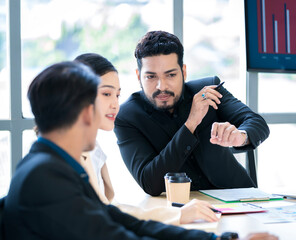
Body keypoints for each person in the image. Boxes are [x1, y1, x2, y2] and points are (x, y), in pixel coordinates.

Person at [2, 61, 278, 240]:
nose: (113, 107)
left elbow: (123, 222)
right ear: (87, 112)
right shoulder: (46, 177)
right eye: (105, 97)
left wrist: (219, 239)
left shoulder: (51, 165)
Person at [114, 30, 270, 196]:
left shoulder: (208, 89)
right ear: (139, 76)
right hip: (182, 211)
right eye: (151, 77)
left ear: (184, 72)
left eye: (171, 75)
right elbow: (150, 182)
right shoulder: (127, 117)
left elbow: (257, 123)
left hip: (240, 198)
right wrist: (190, 124)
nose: (162, 86)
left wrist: (241, 136)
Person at [74, 53, 219, 224]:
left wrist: (177, 215)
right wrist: (178, 216)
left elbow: (109, 210)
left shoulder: (92, 149)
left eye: (117, 96)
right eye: (106, 94)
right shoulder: (70, 154)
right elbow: (102, 218)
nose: (115, 104)